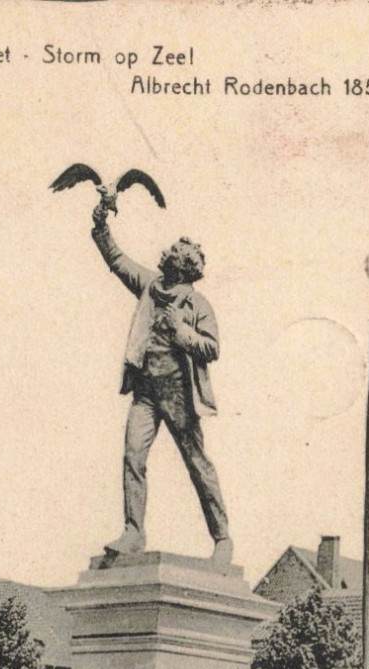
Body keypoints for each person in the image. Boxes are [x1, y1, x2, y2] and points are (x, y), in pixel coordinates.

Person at [91, 199, 233, 573]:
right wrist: (101, 222)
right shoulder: (149, 286)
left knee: (197, 465)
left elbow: (212, 347)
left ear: (183, 265)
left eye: (172, 251)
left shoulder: (197, 304)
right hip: (145, 393)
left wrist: (181, 332)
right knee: (132, 457)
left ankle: (222, 539)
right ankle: (133, 532)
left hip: (179, 396)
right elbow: (118, 261)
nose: (165, 252)